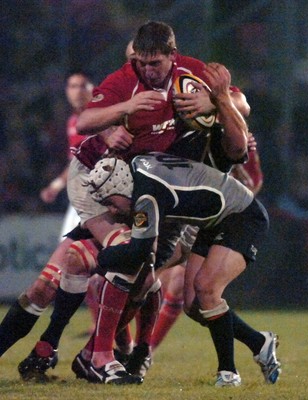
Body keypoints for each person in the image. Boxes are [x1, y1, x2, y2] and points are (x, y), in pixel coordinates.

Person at [2, 20, 250, 384]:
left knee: (126, 267)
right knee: (124, 260)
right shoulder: (124, 82)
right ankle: (91, 354)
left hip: (138, 191)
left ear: (172, 56)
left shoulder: (191, 75)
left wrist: (215, 98)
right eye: (140, 62)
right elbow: (86, 120)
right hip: (95, 182)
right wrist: (124, 110)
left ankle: (79, 351)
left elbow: (241, 104)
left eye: (154, 64)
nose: (146, 70)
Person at [74, 150, 278, 388]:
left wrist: (97, 258)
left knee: (207, 290)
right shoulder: (138, 166)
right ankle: (259, 342)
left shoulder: (145, 197)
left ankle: (228, 373)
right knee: (193, 305)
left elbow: (137, 252)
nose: (111, 210)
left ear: (120, 186)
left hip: (242, 216)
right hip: (212, 221)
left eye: (109, 202)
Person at [150, 140, 263, 352]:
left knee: (183, 290)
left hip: (208, 219)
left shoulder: (234, 133)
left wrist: (234, 171)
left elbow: (253, 181)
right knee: (185, 302)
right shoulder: (182, 129)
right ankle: (127, 349)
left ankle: (144, 351)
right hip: (175, 213)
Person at [39, 70, 101, 331]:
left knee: (75, 261)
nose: (76, 91)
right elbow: (76, 161)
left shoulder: (100, 117)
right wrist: (56, 184)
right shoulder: (72, 121)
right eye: (71, 86)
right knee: (74, 262)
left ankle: (104, 325)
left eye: (81, 85)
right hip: (79, 197)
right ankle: (97, 323)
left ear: (92, 87)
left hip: (98, 197)